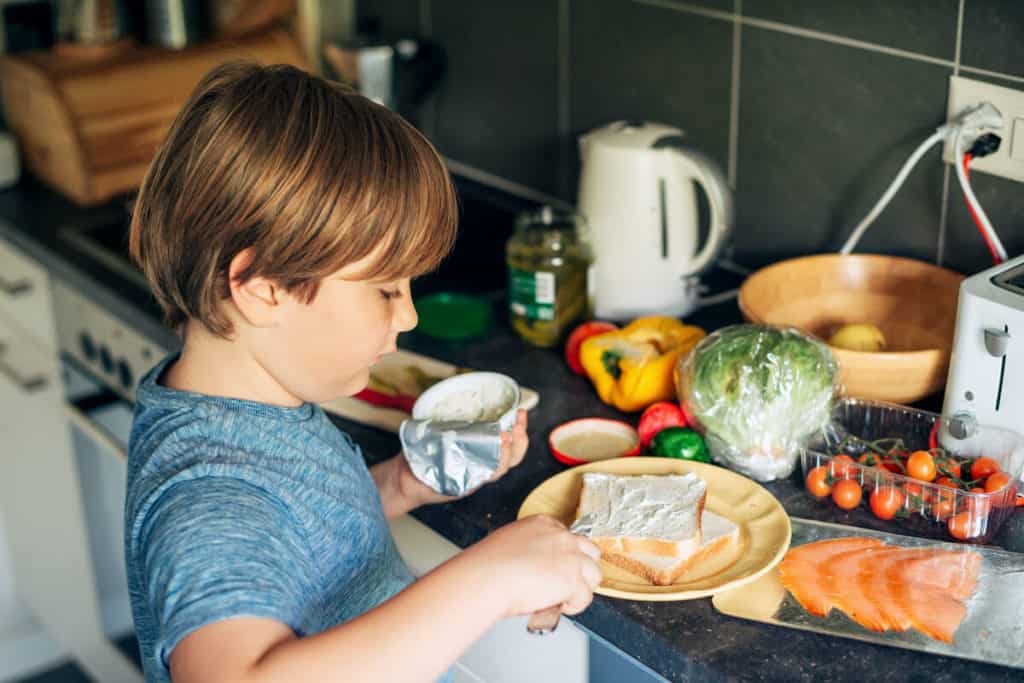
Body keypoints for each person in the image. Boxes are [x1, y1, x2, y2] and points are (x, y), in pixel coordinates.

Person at [124, 61, 601, 683]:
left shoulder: (249, 407)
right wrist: (490, 578)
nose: (407, 316)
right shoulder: (211, 497)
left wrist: (401, 485)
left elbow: (301, 542)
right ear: (263, 289)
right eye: (383, 289)